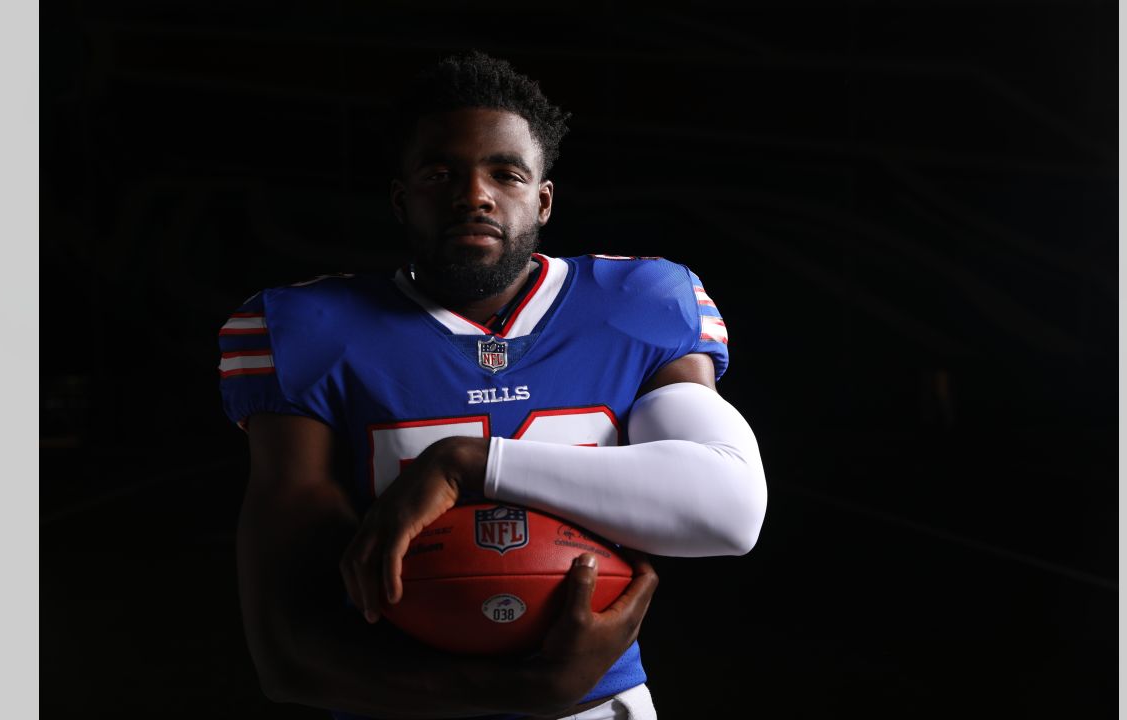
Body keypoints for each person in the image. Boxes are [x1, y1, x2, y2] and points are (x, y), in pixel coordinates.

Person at [218, 51, 767, 720]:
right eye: (440, 173)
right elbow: (289, 654)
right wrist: (531, 693)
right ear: (402, 197)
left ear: (543, 199)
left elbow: (729, 510)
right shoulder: (308, 328)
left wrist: (466, 463)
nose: (473, 194)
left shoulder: (640, 302)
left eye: (504, 173)